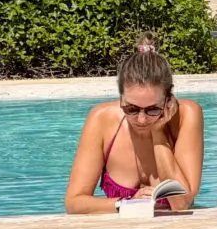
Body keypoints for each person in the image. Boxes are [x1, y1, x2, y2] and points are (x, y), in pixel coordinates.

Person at [65, 36, 204, 214]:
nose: (141, 119)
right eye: (131, 108)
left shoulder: (187, 116)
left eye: (152, 109)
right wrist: (127, 203)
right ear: (121, 98)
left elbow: (180, 202)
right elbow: (74, 203)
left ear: (168, 101)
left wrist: (158, 134)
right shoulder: (101, 119)